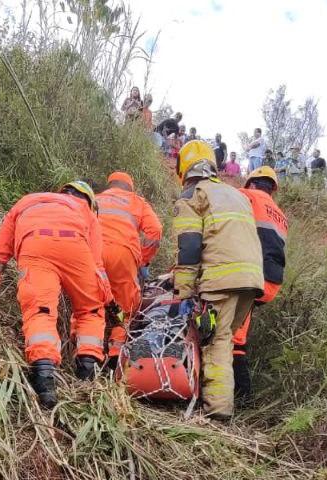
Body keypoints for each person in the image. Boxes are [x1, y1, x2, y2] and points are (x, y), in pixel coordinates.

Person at [0, 181, 112, 408]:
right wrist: (107, 299)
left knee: (40, 311)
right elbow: (98, 267)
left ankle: (44, 380)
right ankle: (87, 373)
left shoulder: (26, 201)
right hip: (75, 248)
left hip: (35, 247)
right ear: (88, 200)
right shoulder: (84, 212)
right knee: (90, 310)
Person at [173, 140, 263, 419]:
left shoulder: (193, 195)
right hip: (250, 281)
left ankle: (218, 413)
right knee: (224, 339)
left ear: (185, 169)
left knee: (215, 343)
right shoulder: (235, 194)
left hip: (221, 279)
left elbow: (189, 248)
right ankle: (214, 401)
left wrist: (183, 294)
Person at [232, 166, 288, 404]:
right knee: (238, 334)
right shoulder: (281, 214)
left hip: (249, 276)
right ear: (272, 189)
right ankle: (243, 398)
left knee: (224, 331)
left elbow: (221, 198)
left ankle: (234, 396)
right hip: (270, 283)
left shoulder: (249, 196)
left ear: (253, 184)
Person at [96, 172, 163, 368]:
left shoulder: (96, 198)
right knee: (125, 307)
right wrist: (143, 260)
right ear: (130, 188)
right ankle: (115, 355)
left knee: (90, 302)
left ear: (110, 185)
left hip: (92, 252)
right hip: (122, 255)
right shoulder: (136, 201)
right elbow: (155, 231)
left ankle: (87, 354)